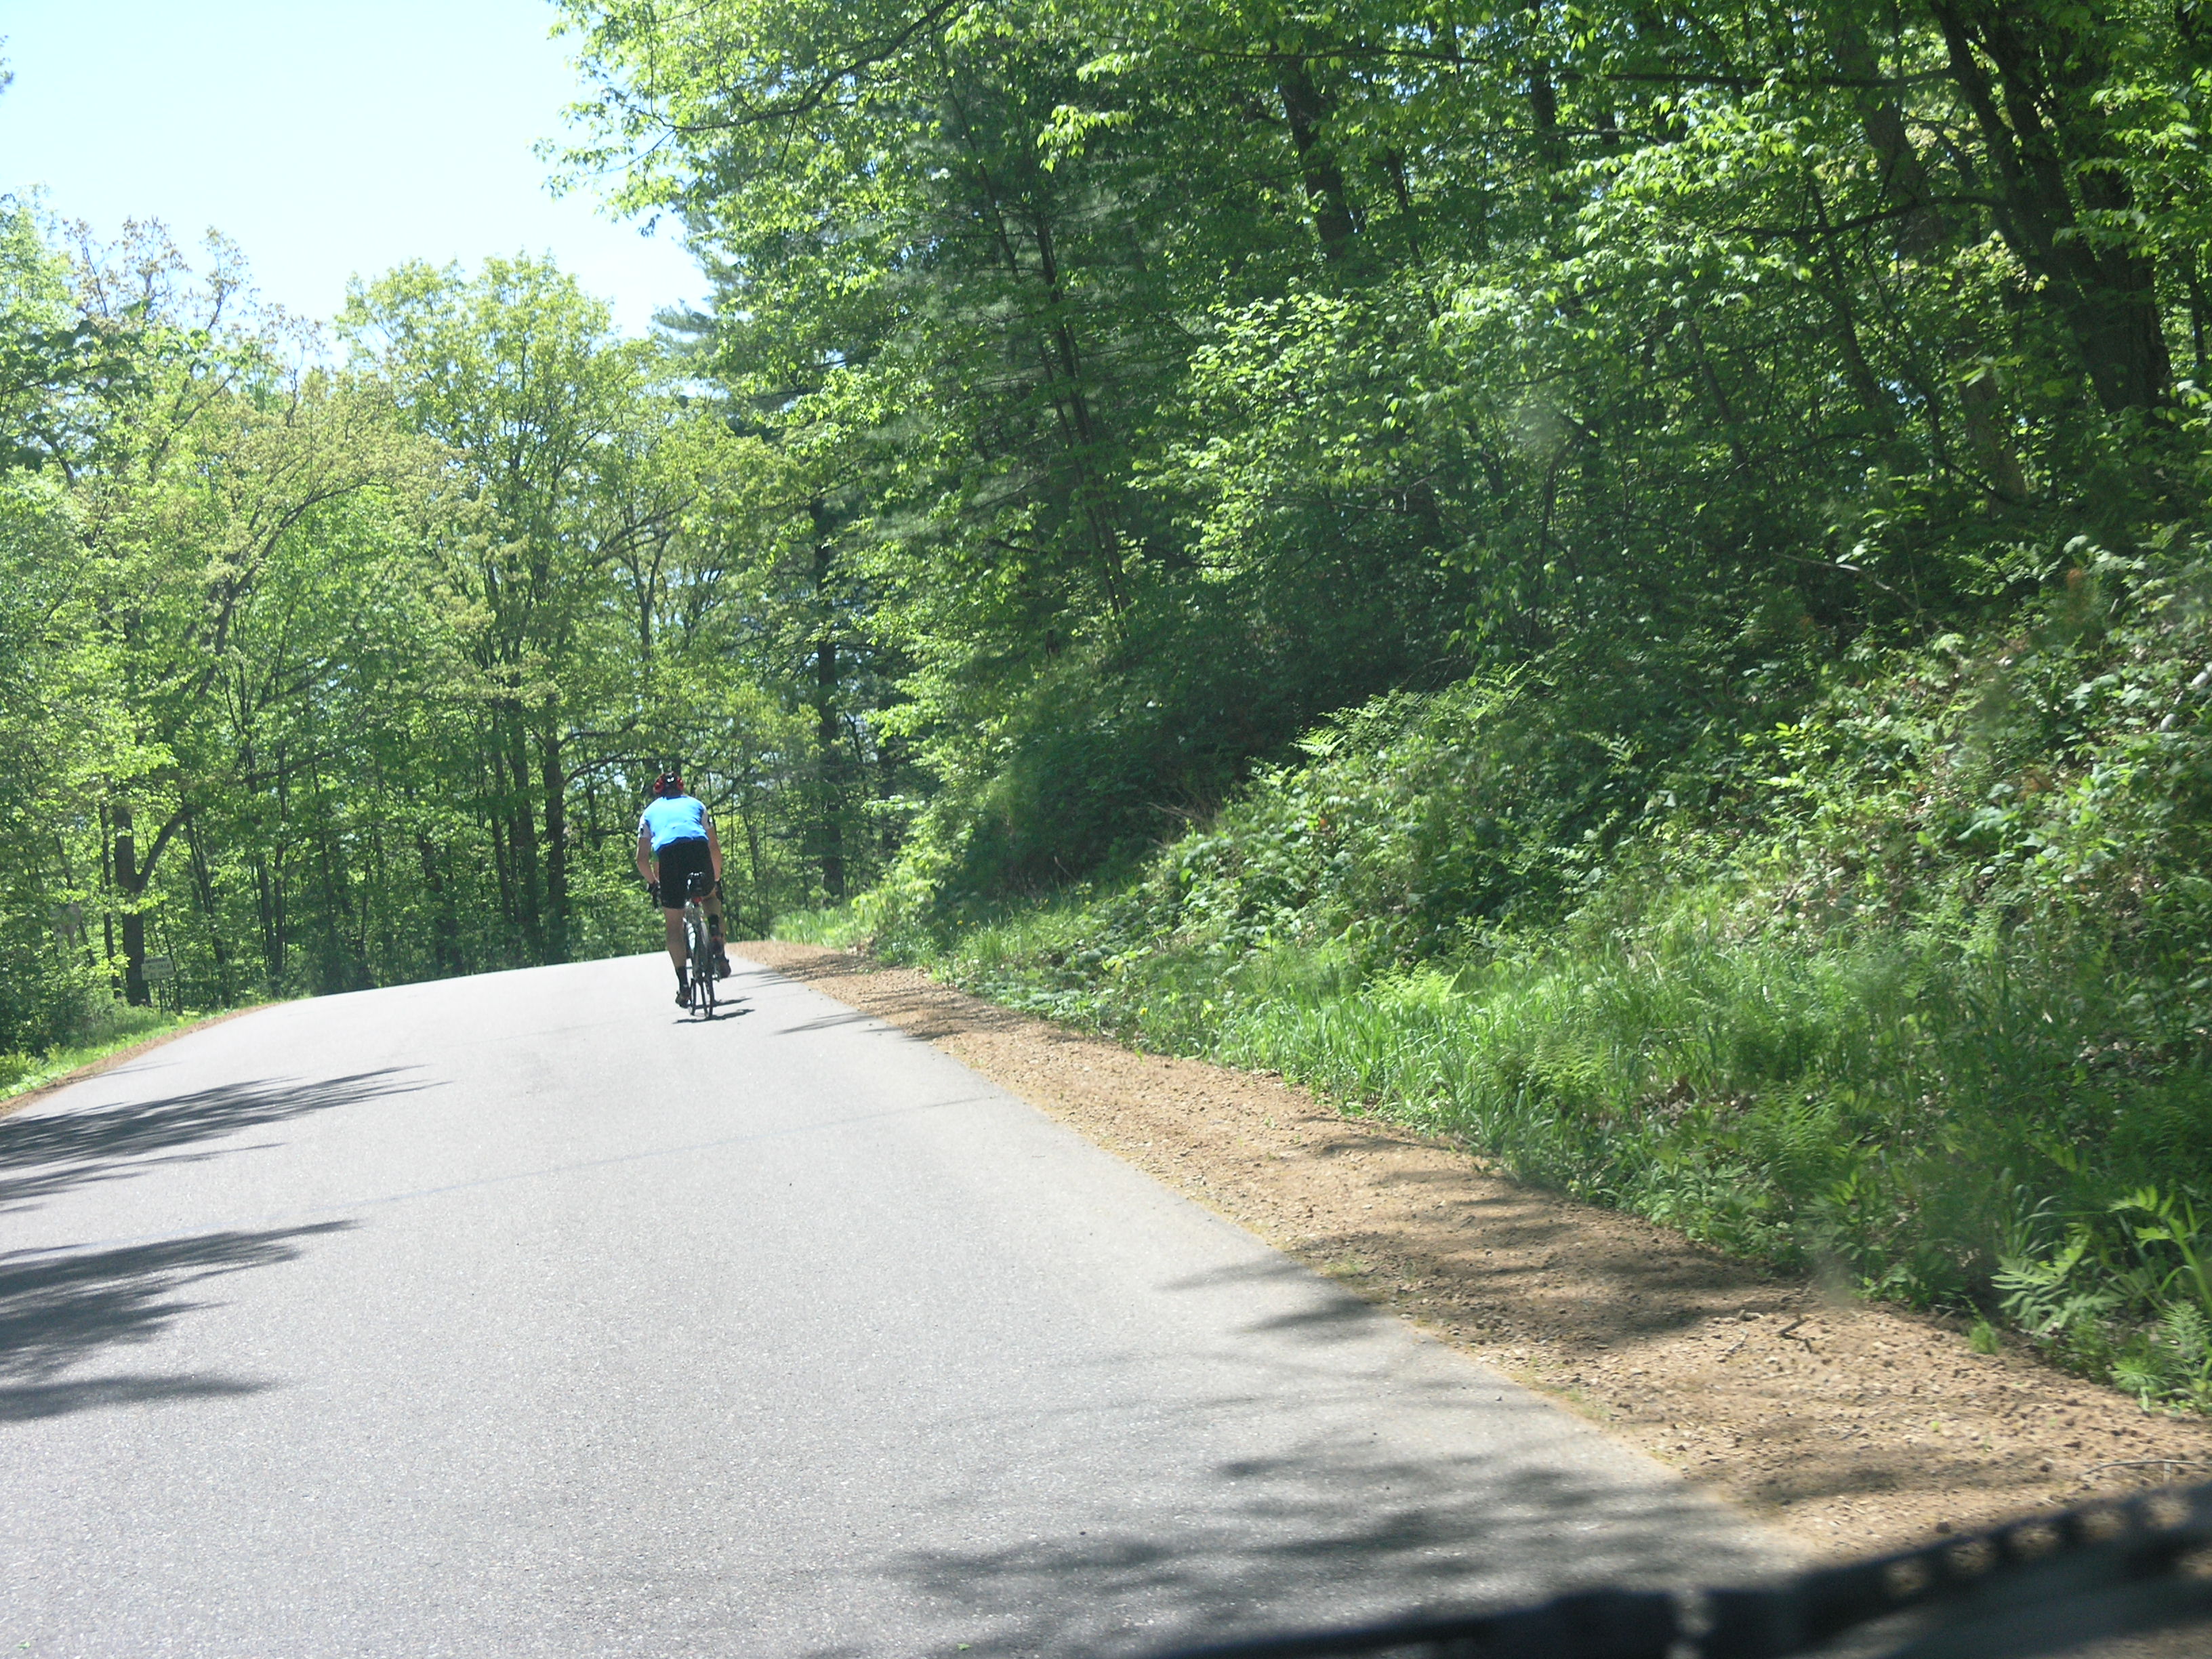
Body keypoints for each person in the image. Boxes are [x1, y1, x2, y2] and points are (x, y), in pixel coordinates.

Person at [635, 769, 731, 1006]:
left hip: (669, 858)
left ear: (659, 792)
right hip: (698, 850)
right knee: (710, 896)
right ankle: (716, 932)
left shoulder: (649, 813)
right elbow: (714, 848)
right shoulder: (697, 805)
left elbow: (641, 859)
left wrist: (653, 884)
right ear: (681, 789)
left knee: (674, 927)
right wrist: (715, 878)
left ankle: (684, 986)